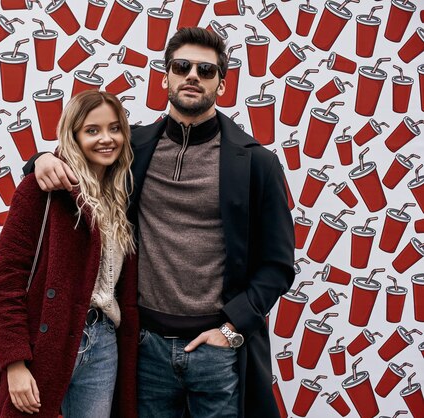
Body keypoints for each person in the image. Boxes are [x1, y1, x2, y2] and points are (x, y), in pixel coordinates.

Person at [26, 27, 295, 418]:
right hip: (143, 347)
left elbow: (277, 264)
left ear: (222, 84)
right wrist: (40, 160)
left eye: (206, 70)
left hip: (216, 351)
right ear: (164, 76)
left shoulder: (257, 163)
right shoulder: (131, 148)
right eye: (182, 66)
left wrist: (230, 330)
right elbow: (77, 157)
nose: (192, 76)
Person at [0, 90, 139, 418]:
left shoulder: (121, 197)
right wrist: (14, 362)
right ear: (73, 135)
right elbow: (5, 281)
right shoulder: (43, 189)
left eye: (115, 129)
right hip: (48, 340)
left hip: (103, 343)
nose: (106, 138)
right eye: (92, 130)